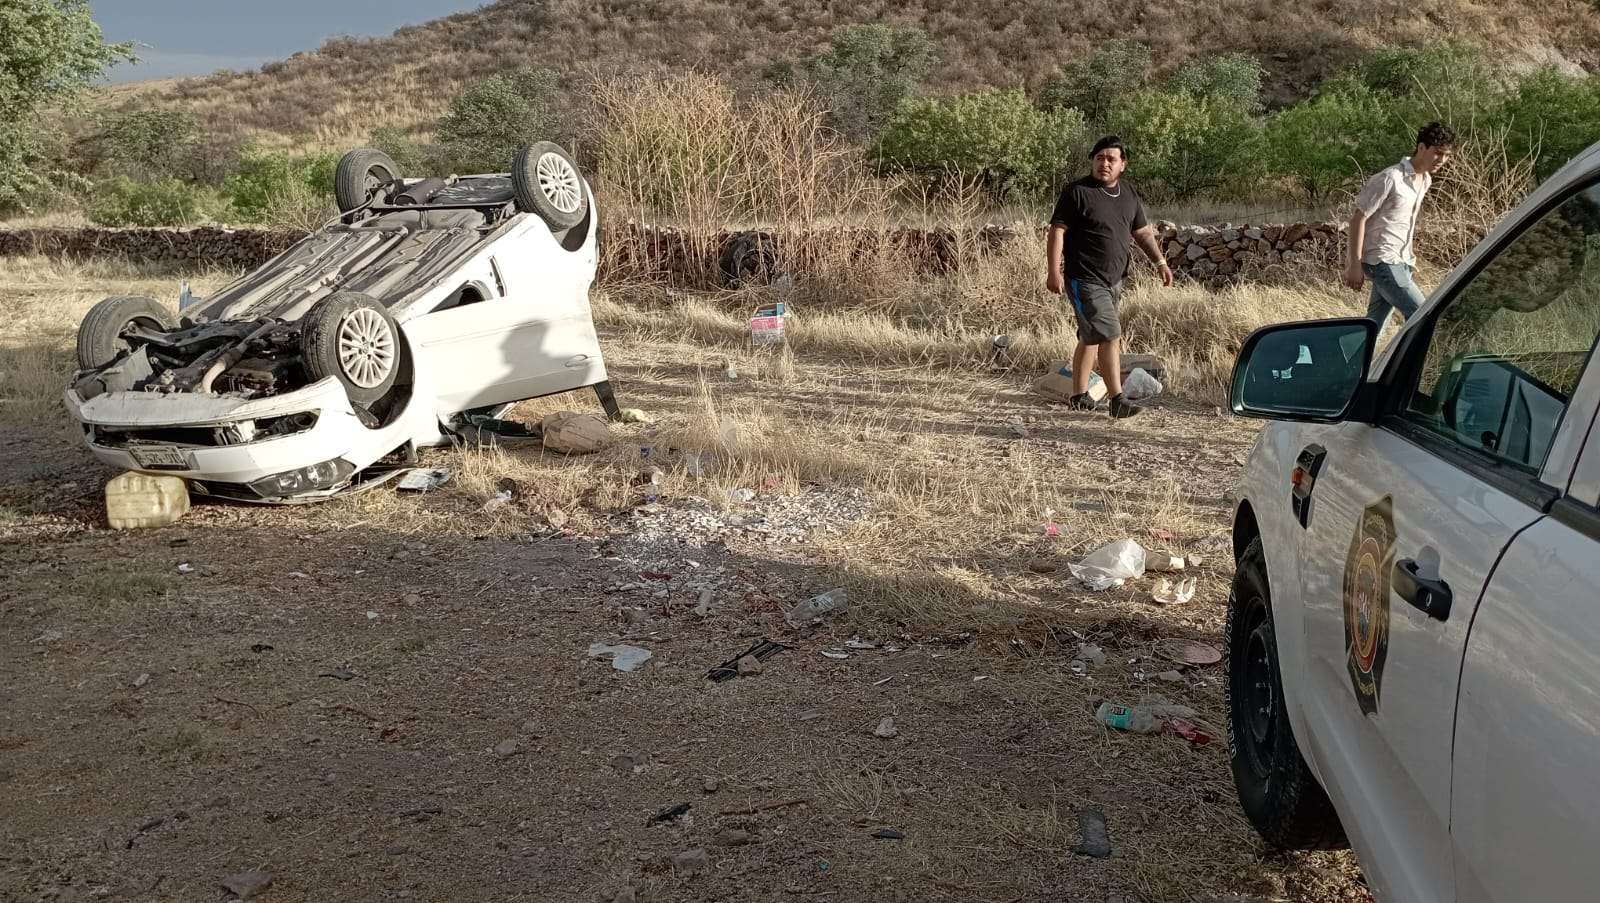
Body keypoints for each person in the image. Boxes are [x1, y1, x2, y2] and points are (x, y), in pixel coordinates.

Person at [1046, 136, 1173, 419]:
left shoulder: (1128, 194)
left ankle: (1079, 396)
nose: (1104, 163)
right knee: (1110, 333)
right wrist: (1053, 271)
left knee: (1091, 336)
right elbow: (1057, 231)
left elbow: (1142, 232)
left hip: (1114, 280)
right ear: (1092, 161)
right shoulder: (1077, 192)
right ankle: (1117, 399)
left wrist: (1160, 262)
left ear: (1122, 164)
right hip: (1084, 279)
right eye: (1099, 158)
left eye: (1111, 159)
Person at [1344, 121, 1456, 325]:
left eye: (1447, 155)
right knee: (1423, 316)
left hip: (1403, 261)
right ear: (1421, 147)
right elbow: (1358, 219)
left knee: (1374, 326)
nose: (1442, 160)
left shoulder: (1426, 180)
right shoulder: (1390, 178)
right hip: (1382, 261)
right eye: (1438, 153)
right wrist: (1354, 265)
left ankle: (1355, 349)